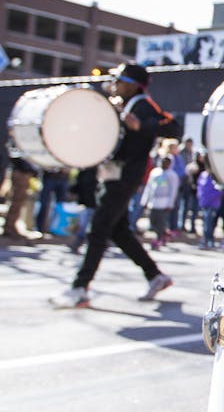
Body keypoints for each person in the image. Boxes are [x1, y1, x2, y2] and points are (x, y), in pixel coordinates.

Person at [52, 63, 178, 308]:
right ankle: (155, 275)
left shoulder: (143, 104)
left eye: (120, 81)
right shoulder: (124, 103)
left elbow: (173, 127)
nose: (116, 85)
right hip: (112, 174)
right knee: (118, 231)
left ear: (132, 85)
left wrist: (141, 126)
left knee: (98, 228)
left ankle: (80, 287)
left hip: (126, 175)